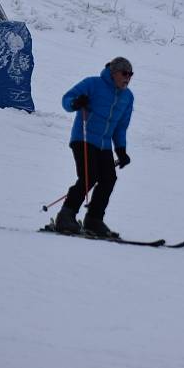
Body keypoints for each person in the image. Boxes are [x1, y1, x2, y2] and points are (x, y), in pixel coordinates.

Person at [55, 57, 134, 237]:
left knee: (108, 179)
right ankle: (65, 216)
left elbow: (121, 127)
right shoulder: (93, 84)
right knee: (89, 176)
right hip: (83, 137)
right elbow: (67, 99)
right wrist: (75, 103)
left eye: (130, 74)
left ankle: (94, 219)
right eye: (124, 73)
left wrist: (121, 150)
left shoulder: (127, 97)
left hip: (104, 144)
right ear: (113, 73)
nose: (127, 78)